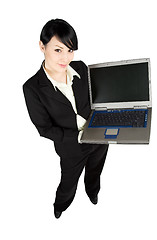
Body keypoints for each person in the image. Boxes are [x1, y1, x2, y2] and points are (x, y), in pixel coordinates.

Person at [23, 19, 109, 219]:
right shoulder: (32, 88)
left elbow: (94, 100)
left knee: (96, 169)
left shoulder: (80, 67)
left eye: (70, 50)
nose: (66, 58)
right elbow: (44, 129)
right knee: (68, 181)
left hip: (99, 136)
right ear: (42, 46)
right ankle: (61, 205)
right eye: (58, 50)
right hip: (71, 147)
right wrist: (79, 137)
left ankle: (92, 192)